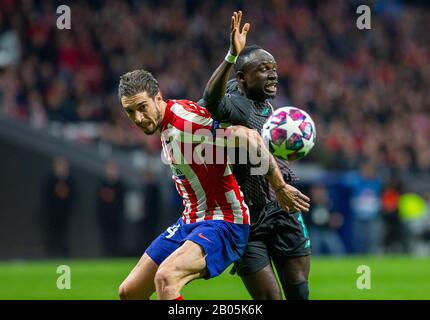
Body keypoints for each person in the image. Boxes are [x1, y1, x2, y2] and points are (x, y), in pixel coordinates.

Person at [116, 68, 309, 300]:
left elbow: (249, 137)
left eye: (142, 107)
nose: (138, 118)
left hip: (225, 221)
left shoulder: (184, 123)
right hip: (192, 220)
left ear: (158, 97)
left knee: (166, 279)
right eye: (130, 112)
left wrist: (279, 186)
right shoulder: (169, 122)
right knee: (130, 292)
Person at [199, 11, 311, 300]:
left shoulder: (267, 106)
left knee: (299, 292)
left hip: (283, 208)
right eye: (263, 69)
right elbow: (211, 101)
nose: (273, 73)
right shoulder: (234, 103)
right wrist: (231, 56)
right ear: (242, 78)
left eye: (273, 67)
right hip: (247, 217)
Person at [43, 156, 75, 257]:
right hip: (52, 215)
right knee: (51, 235)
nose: (61, 169)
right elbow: (46, 198)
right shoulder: (50, 181)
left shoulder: (70, 182)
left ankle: (64, 256)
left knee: (64, 236)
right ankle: (51, 255)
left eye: (63, 166)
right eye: (59, 166)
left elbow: (74, 199)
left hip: (65, 215)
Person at [96, 160, 125, 257]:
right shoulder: (101, 184)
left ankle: (115, 254)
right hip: (105, 216)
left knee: (116, 236)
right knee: (106, 236)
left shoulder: (120, 185)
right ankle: (106, 253)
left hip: (116, 216)